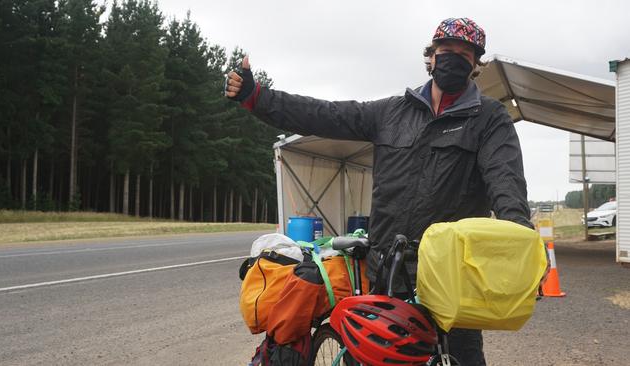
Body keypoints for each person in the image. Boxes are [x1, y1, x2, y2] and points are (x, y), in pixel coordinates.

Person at [226, 17, 532, 366]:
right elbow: (324, 115)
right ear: (431, 56)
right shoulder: (392, 112)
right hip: (387, 272)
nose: (453, 58)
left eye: (465, 54)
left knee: (460, 358)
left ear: (476, 65)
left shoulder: (489, 118)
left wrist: (518, 249)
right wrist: (258, 97)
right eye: (446, 50)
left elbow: (506, 183)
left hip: (453, 279)